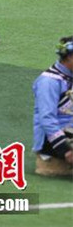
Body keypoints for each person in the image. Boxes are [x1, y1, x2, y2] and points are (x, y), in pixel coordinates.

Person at [33, 36, 73, 176]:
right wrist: (65, 150)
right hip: (54, 141)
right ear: (69, 57)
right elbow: (47, 119)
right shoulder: (49, 82)